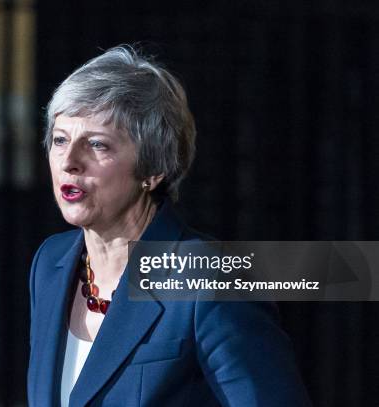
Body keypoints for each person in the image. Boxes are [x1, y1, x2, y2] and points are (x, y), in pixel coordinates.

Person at [27, 45, 311, 407]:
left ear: (153, 169)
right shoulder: (50, 263)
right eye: (60, 139)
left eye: (97, 144)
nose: (69, 161)